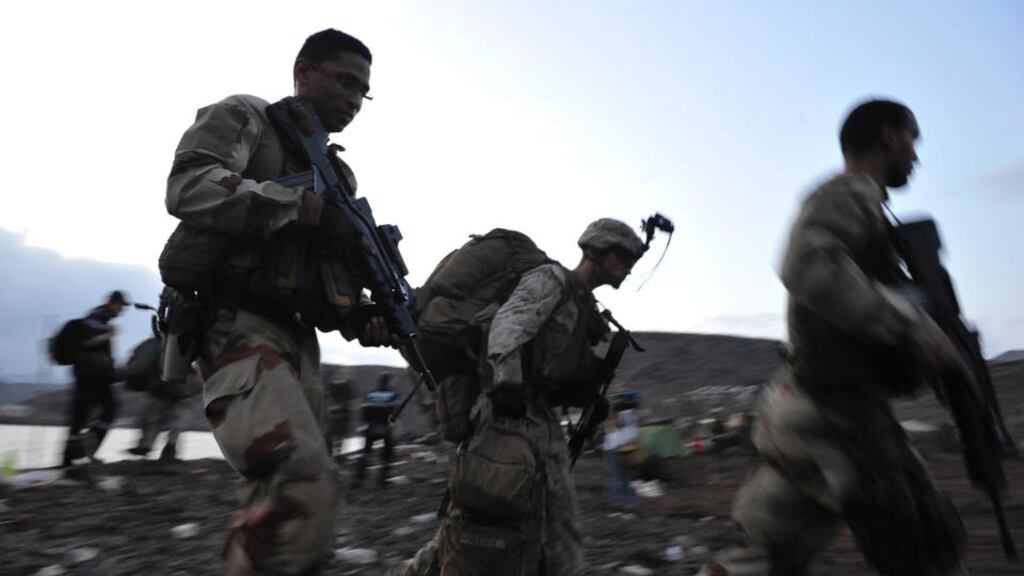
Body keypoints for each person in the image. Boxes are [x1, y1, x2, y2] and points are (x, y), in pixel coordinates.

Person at [700, 100, 971, 576]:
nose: (915, 154)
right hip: (838, 413)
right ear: (888, 136)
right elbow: (805, 264)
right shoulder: (849, 193)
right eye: (912, 139)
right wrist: (911, 323)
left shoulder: (865, 206)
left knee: (765, 557)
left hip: (805, 407)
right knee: (925, 547)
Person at [162, 28, 395, 575]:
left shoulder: (340, 175)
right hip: (235, 323)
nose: (354, 100)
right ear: (303, 70)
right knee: (300, 481)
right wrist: (302, 208)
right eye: (345, 82)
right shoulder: (249, 117)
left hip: (297, 344)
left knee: (301, 499)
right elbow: (188, 186)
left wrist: (360, 316)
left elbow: (316, 282)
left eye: (365, 92)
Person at [400, 218, 646, 576]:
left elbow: (550, 365)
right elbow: (509, 324)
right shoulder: (551, 280)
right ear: (596, 251)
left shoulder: (583, 307)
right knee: (481, 520)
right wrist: (507, 383)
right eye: (622, 257)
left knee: (555, 529)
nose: (627, 267)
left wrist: (586, 394)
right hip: (506, 416)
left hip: (541, 423)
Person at [60, 290, 128, 469]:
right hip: (90, 374)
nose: (122, 311)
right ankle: (74, 456)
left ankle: (74, 456)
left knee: (82, 414)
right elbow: (86, 342)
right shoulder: (96, 318)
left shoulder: (101, 319)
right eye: (121, 306)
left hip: (94, 374)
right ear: (113, 303)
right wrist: (108, 335)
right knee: (103, 410)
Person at [352, 374, 399, 488]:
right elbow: (394, 413)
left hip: (371, 426)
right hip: (385, 427)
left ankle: (358, 479)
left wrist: (366, 424)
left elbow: (364, 413)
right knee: (387, 453)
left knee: (366, 453)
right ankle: (382, 481)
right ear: (389, 382)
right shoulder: (392, 394)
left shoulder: (370, 394)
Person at [603, 394, 639, 510]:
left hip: (614, 446)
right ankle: (631, 504)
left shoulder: (615, 413)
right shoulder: (633, 414)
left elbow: (613, 427)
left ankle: (616, 503)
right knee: (630, 478)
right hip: (630, 447)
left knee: (616, 477)